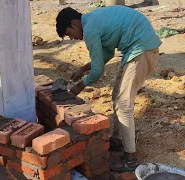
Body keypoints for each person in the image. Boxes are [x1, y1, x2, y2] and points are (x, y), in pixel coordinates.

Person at [56, 6, 161, 172]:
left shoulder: (89, 29)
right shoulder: (92, 21)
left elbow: (98, 71)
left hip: (141, 49)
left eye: (70, 34)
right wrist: (83, 69)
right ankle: (119, 140)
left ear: (74, 23)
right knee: (117, 97)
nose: (74, 38)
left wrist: (79, 86)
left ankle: (130, 159)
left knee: (123, 104)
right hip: (139, 48)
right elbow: (107, 54)